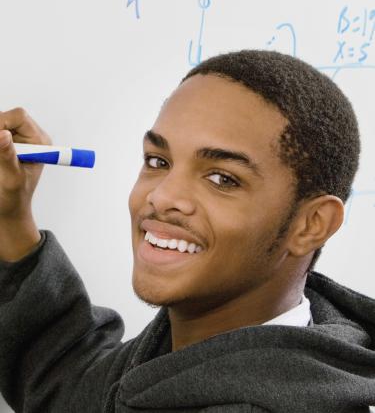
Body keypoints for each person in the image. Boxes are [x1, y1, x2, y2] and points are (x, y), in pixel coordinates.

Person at [0, 50, 374, 413]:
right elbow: (69, 388)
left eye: (222, 178)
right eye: (157, 161)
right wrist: (12, 219)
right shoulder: (190, 358)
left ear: (312, 224)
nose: (162, 197)